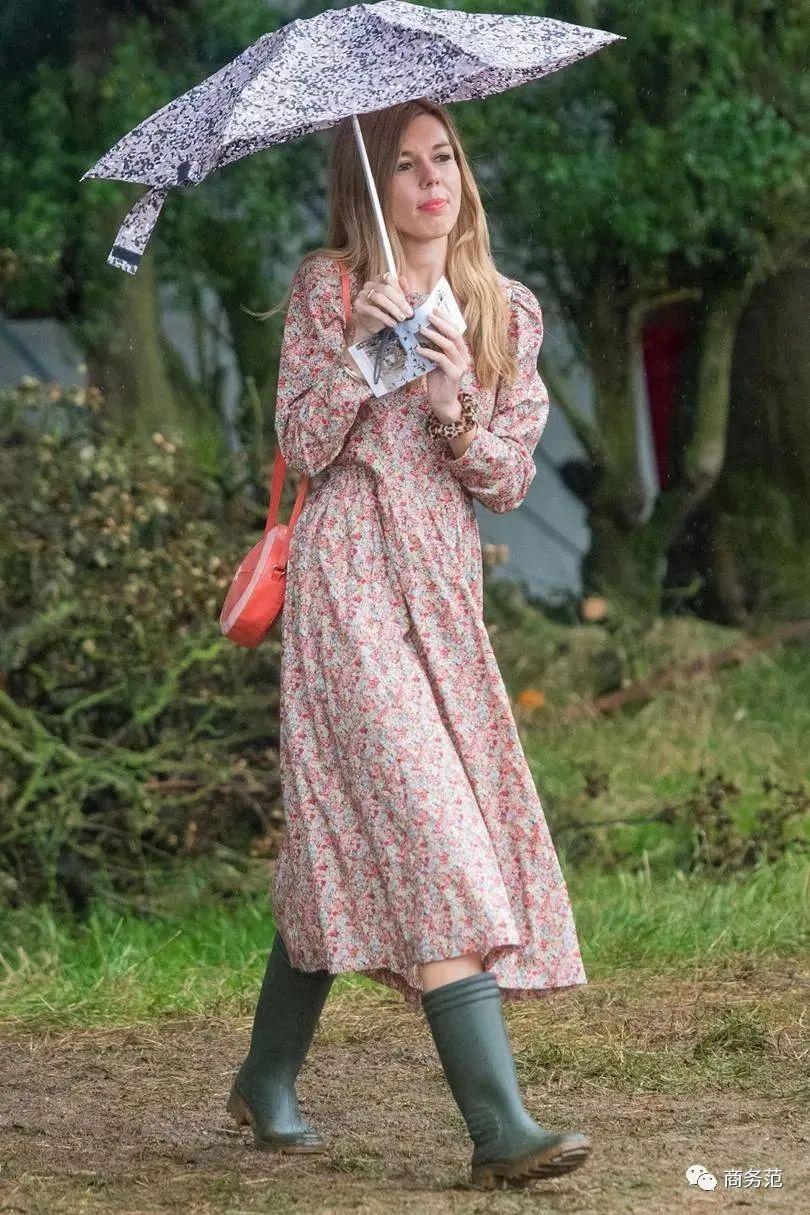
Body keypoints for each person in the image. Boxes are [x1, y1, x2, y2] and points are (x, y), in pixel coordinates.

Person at [226, 98, 590, 1190]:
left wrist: (451, 399)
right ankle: (499, 1129)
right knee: (435, 827)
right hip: (346, 577)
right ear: (369, 186)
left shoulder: (504, 310)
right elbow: (300, 443)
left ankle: (265, 1077)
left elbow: (507, 479)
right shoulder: (330, 287)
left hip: (440, 584)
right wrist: (351, 352)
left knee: (340, 840)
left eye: (445, 158)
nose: (433, 179)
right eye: (405, 164)